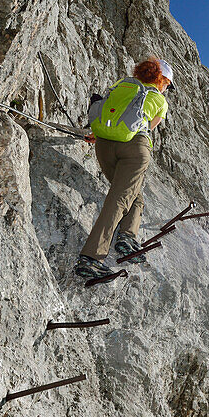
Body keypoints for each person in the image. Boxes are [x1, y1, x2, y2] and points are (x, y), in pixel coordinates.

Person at [74, 56, 172, 280]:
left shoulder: (123, 84)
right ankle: (91, 258)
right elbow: (146, 127)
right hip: (134, 150)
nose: (166, 89)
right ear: (161, 79)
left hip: (104, 146)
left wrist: (98, 135)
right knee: (119, 199)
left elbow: (110, 113)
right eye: (167, 84)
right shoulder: (159, 99)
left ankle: (127, 238)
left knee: (133, 196)